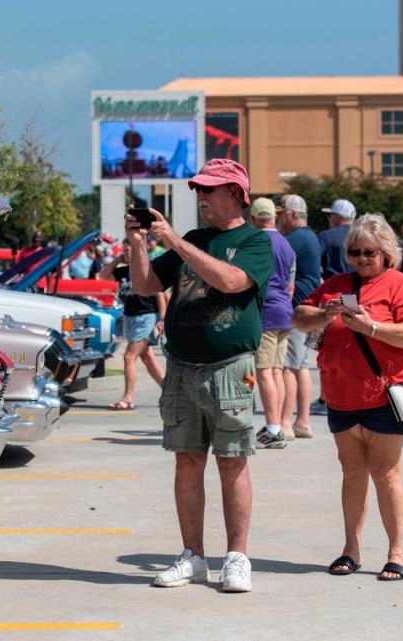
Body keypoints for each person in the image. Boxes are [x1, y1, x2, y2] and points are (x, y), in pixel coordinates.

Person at [125, 158, 273, 593]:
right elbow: (147, 285)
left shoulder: (254, 241)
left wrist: (172, 240)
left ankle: (237, 558)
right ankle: (192, 556)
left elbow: (231, 282)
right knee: (187, 460)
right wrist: (138, 244)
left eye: (209, 190)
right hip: (182, 368)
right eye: (199, 190)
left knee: (232, 461)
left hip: (230, 368)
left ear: (237, 195)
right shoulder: (193, 239)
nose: (201, 197)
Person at [292, 214, 403, 582]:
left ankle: (396, 553)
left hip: (386, 396)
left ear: (387, 251)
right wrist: (324, 312)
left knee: (386, 474)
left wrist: (372, 326)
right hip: (340, 397)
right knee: (352, 473)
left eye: (369, 251)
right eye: (354, 251)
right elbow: (299, 317)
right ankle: (351, 549)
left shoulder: (402, 286)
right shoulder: (336, 285)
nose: (362, 258)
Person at [248, 198, 296, 449]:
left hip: (265, 310)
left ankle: (274, 428)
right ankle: (277, 425)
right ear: (274, 217)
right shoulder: (286, 244)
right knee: (277, 370)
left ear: (254, 219)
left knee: (264, 371)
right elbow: (290, 284)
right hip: (284, 310)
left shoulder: (257, 241)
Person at [99, 239, 166, 410]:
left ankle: (128, 398)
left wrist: (162, 319)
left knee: (129, 356)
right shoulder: (122, 271)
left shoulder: (146, 269)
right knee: (147, 358)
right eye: (125, 251)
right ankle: (170, 391)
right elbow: (103, 276)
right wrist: (116, 260)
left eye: (129, 250)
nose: (126, 253)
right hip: (130, 317)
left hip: (146, 317)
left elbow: (160, 295)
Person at [277, 194, 321, 438]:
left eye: (282, 214)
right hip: (308, 308)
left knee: (289, 367)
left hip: (295, 309)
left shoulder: (293, 239)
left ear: (292, 215)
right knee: (300, 366)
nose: (279, 219)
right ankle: (302, 422)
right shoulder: (311, 237)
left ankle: (285, 423)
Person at [311, 198, 357, 416]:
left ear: (338, 216)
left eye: (331, 215)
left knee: (327, 349)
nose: (329, 218)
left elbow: (313, 265)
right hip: (358, 296)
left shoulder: (326, 237)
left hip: (333, 294)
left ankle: (325, 398)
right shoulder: (361, 234)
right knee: (355, 346)